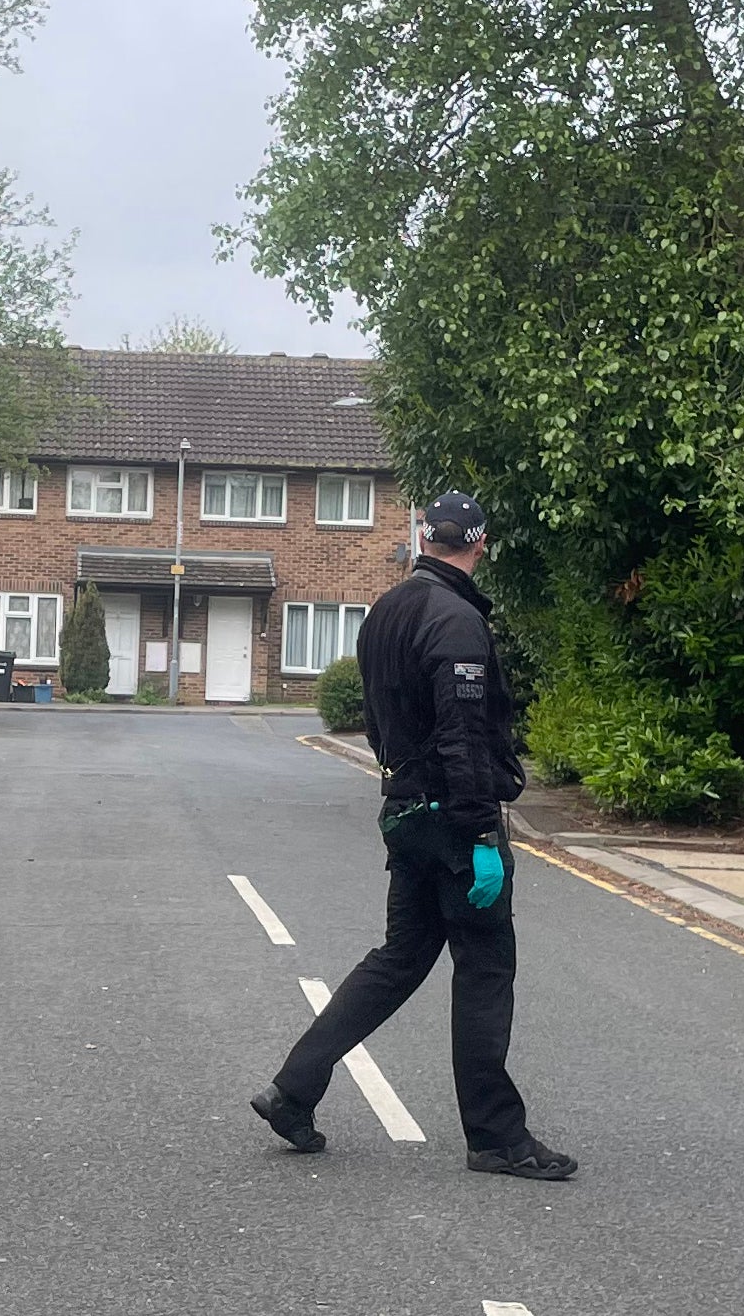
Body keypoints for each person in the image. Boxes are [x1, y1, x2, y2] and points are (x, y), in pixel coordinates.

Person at [251, 491, 576, 1180]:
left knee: (400, 959)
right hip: (455, 820)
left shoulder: (386, 612)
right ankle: (496, 1137)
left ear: (423, 537)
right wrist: (483, 832)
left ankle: (292, 1090)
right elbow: (462, 735)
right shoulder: (456, 621)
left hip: (405, 809)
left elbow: (380, 720)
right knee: (486, 967)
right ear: (481, 544)